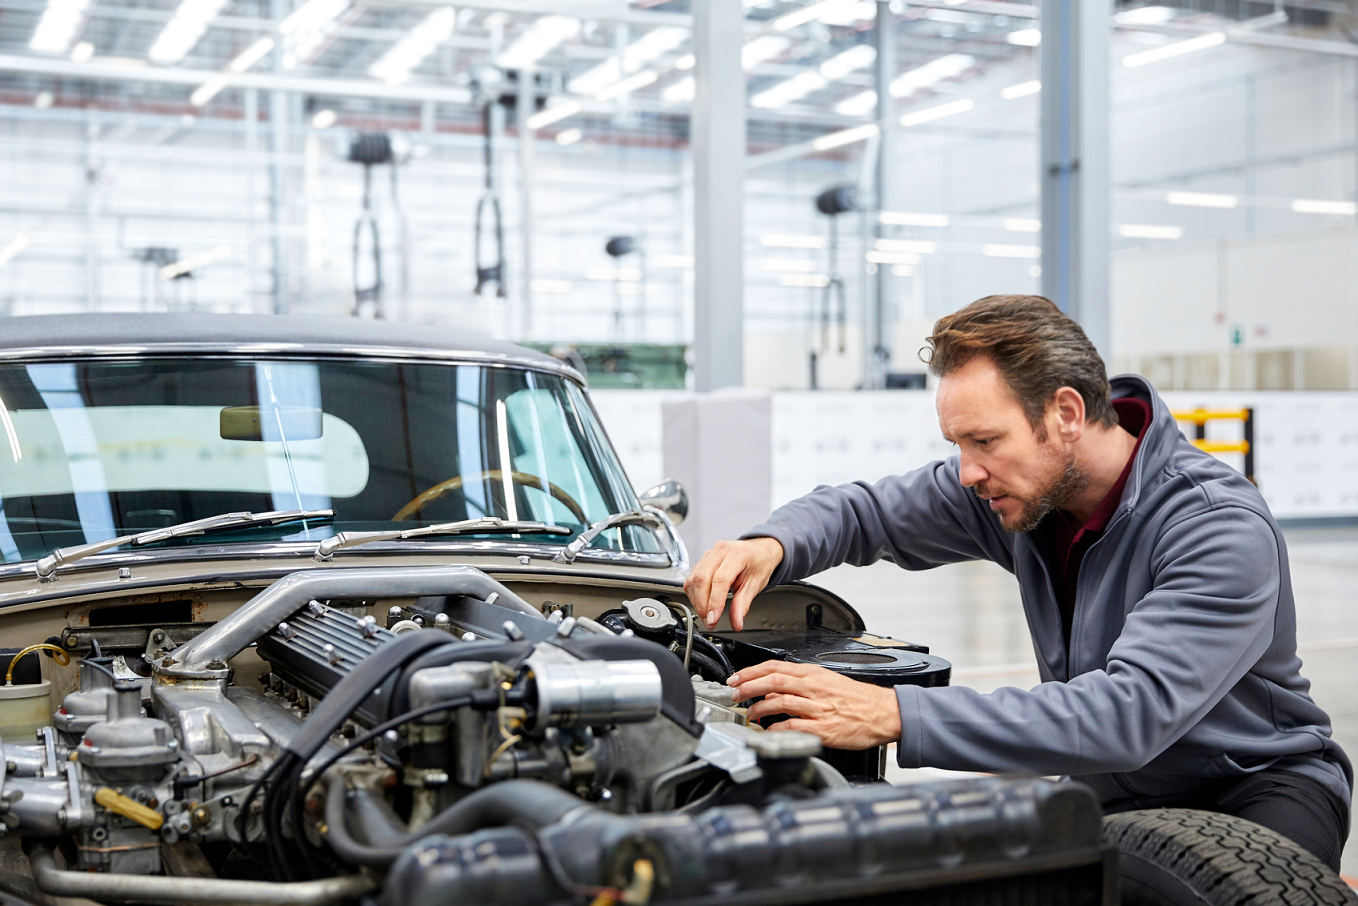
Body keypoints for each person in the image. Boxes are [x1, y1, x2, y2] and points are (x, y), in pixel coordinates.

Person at [683, 294, 1351, 871]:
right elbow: (867, 511)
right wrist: (771, 542)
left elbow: (1127, 715)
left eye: (984, 441)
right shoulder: (1020, 492)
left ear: (1064, 413)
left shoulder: (1215, 528)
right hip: (1112, 790)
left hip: (1253, 788)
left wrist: (892, 713)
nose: (968, 471)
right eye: (958, 446)